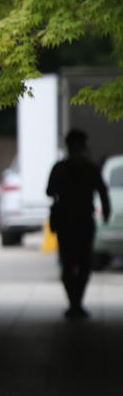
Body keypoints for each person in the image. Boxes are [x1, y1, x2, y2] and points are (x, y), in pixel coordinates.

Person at [46, 129, 110, 320]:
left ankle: (74, 303)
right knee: (83, 263)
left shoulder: (60, 168)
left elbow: (49, 191)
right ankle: (77, 303)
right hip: (83, 221)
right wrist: (106, 212)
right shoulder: (90, 168)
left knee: (68, 264)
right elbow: (103, 192)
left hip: (66, 222)